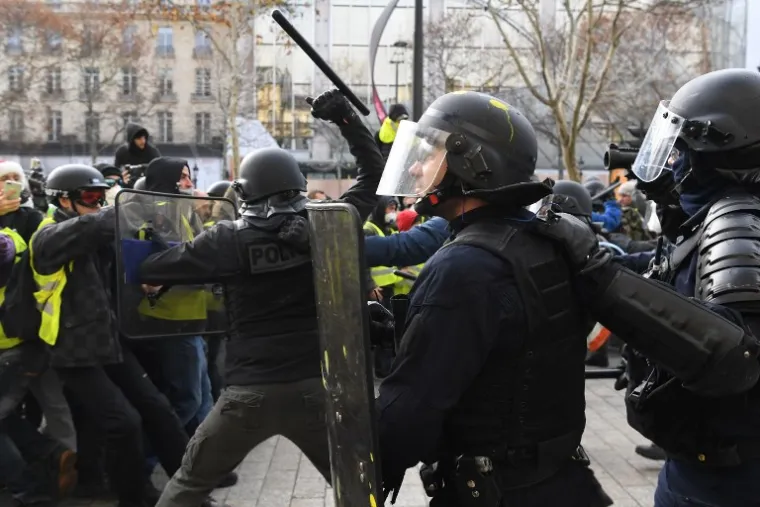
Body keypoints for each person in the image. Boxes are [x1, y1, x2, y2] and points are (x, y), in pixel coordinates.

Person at [132, 89, 385, 507]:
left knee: (186, 487)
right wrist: (346, 120)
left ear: (246, 192)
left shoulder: (226, 239)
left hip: (247, 393)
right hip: (315, 390)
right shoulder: (331, 224)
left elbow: (153, 267)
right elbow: (373, 174)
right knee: (361, 491)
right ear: (297, 186)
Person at [372, 91, 613, 506]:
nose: (414, 166)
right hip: (563, 483)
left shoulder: (463, 267)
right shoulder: (545, 240)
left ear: (472, 162)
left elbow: (408, 419)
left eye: (428, 155)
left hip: (495, 491)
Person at [626, 68, 760, 506]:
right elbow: (669, 268)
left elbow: (731, 358)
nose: (674, 165)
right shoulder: (712, 216)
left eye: (682, 151)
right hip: (698, 468)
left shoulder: (736, 222)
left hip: (726, 480)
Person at [27, 164, 153, 507]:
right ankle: (134, 499)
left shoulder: (91, 230)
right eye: (90, 197)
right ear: (62, 200)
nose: (97, 204)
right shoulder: (49, 234)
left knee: (107, 420)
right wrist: (125, 204)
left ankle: (93, 482)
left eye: (101, 196)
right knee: (124, 423)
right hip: (71, 349)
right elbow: (91, 226)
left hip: (103, 341)